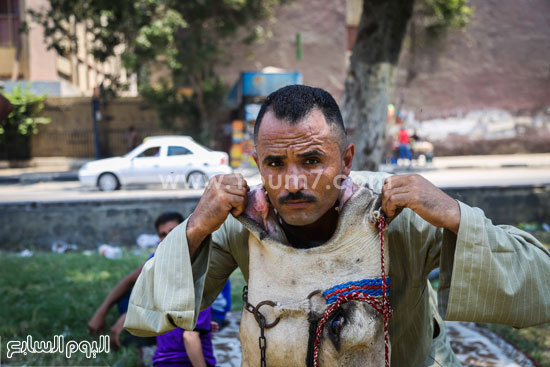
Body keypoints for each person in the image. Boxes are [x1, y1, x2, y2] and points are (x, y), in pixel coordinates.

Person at [124, 85, 550, 366]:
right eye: (275, 163)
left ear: (346, 161)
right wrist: (196, 226)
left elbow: (541, 284)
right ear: (258, 165)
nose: (292, 183)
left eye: (312, 161)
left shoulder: (399, 212)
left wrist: (454, 215)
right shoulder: (244, 221)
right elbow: (149, 314)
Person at [88, 212, 185, 348]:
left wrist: (132, 314)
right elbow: (130, 280)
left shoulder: (191, 252)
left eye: (172, 231)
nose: (168, 237)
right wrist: (101, 312)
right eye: (163, 234)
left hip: (202, 312)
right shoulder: (163, 253)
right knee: (129, 293)